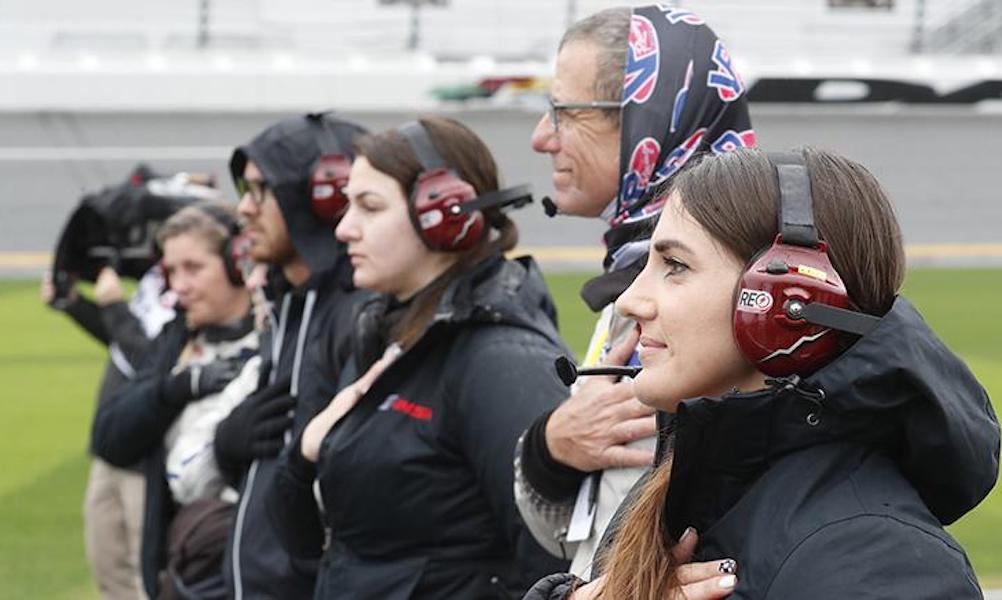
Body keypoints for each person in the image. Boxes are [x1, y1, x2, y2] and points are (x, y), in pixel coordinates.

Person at [527, 147, 1000, 599]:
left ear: (790, 303)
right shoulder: (676, 490)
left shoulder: (878, 565)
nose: (630, 300)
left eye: (675, 265)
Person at [265, 116, 570, 598]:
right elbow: (308, 540)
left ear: (445, 216)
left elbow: (552, 565)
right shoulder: (388, 334)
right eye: (347, 205)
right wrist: (303, 457)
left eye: (369, 207)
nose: (344, 229)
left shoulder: (500, 361)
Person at [517, 4, 755, 578]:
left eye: (563, 112)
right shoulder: (635, 273)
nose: (541, 137)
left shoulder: (724, 302)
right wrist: (550, 451)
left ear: (645, 119)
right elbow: (585, 536)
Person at [215, 112, 369, 599]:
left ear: (324, 196)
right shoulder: (289, 306)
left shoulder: (357, 317)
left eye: (262, 190)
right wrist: (227, 450)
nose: (244, 208)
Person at [91, 205, 262, 598]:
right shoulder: (177, 339)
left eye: (193, 268)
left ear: (237, 264)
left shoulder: (280, 339)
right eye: (171, 271)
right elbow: (109, 437)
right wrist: (179, 388)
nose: (179, 286)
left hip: (249, 563)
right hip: (185, 565)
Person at [42, 265, 174, 600]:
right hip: (110, 452)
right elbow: (122, 342)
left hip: (149, 462)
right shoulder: (156, 278)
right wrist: (75, 304)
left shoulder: (190, 291)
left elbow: (153, 363)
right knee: (108, 570)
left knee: (150, 581)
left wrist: (115, 305)